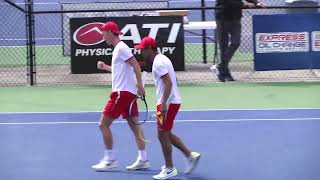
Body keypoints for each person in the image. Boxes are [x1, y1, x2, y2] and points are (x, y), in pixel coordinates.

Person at [135, 36, 201, 180]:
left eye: (142, 50)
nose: (141, 53)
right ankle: (190, 155)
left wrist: (163, 104)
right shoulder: (162, 59)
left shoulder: (158, 63)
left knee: (162, 134)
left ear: (149, 49)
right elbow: (171, 81)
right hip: (169, 102)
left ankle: (169, 168)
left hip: (168, 103)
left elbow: (169, 83)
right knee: (166, 133)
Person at [91, 21, 150, 171]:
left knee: (103, 124)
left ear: (110, 32)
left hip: (121, 94)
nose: (102, 36)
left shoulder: (121, 48)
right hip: (127, 93)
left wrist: (141, 86)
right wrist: (106, 68)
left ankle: (110, 159)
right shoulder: (118, 49)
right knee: (135, 127)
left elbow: (136, 66)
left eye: (103, 33)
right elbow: (121, 71)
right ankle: (143, 159)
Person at [211, 0, 266, 82]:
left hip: (236, 18)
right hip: (222, 18)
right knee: (224, 47)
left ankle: (220, 66)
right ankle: (225, 73)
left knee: (236, 42)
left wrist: (256, 2)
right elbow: (226, 2)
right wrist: (244, 4)